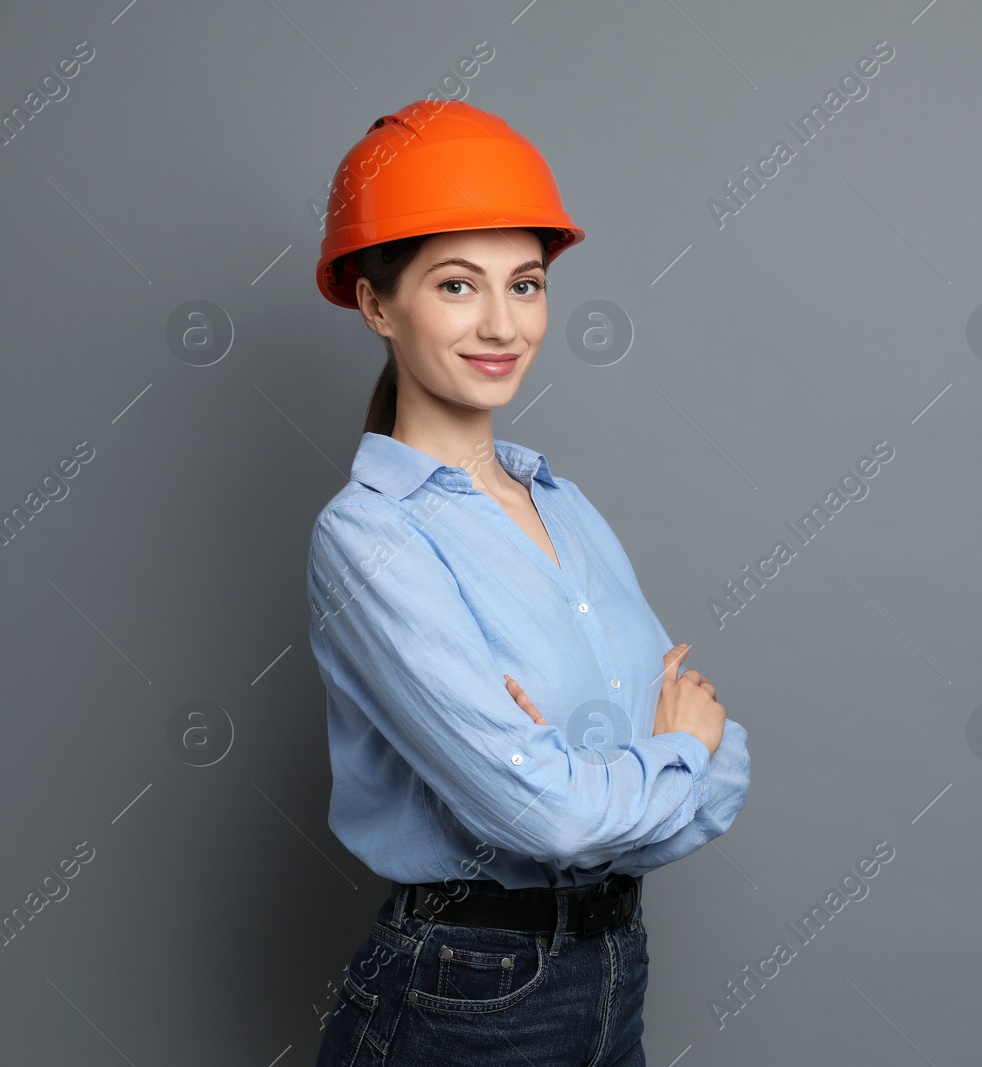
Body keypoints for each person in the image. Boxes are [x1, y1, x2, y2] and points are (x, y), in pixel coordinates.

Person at [305, 99, 751, 1065]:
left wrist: (593, 770)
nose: (502, 324)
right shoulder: (369, 534)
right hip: (468, 990)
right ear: (378, 304)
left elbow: (727, 767)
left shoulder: (562, 501)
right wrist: (658, 750)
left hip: (614, 972)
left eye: (528, 283)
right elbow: (544, 815)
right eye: (458, 285)